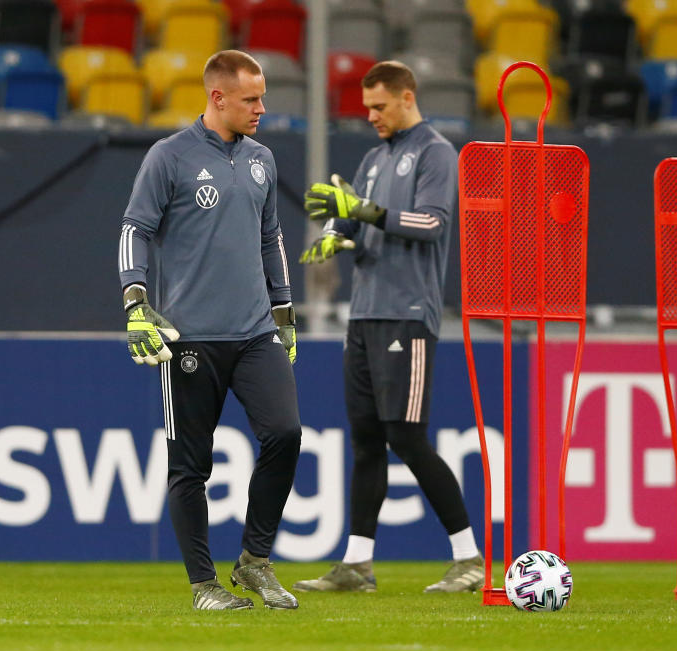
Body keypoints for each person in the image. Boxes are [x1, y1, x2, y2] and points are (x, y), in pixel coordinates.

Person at [118, 50, 301, 611]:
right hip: (190, 337)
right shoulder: (168, 157)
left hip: (253, 332)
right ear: (217, 97)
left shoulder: (262, 160)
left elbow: (271, 237)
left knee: (286, 433)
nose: (261, 109)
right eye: (251, 100)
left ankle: (255, 563)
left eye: (262, 98)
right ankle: (204, 585)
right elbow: (135, 228)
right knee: (191, 466)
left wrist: (284, 311)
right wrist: (135, 302)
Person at [295, 61, 484, 593]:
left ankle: (469, 558)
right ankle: (357, 565)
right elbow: (355, 214)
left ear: (407, 97)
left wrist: (364, 210)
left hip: (408, 314)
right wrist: (337, 231)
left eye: (379, 106)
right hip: (365, 312)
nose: (371, 116)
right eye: (367, 107)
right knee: (367, 440)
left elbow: (431, 223)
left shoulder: (436, 153)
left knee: (407, 436)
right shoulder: (375, 157)